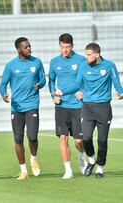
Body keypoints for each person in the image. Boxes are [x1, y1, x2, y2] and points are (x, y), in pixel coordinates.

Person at [55, 43, 123, 179]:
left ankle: (100, 168)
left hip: (103, 108)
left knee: (102, 140)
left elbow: (117, 83)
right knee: (85, 138)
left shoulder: (109, 66)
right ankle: (91, 159)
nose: (86, 57)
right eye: (86, 54)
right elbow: (77, 84)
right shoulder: (84, 66)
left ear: (97, 54)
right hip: (87, 107)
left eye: (89, 54)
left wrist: (120, 93)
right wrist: (63, 92)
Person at [0, 37, 46, 180]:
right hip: (16, 107)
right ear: (19, 49)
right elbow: (3, 84)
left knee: (32, 137)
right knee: (18, 139)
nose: (29, 49)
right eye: (26, 47)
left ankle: (33, 158)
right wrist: (4, 94)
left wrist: (40, 84)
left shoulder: (37, 62)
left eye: (30, 46)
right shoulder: (11, 65)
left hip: (32, 105)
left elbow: (43, 79)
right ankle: (23, 171)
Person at [48, 33, 87, 179]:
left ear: (72, 46)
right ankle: (68, 170)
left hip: (77, 105)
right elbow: (51, 80)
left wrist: (83, 92)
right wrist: (53, 96)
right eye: (63, 47)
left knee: (78, 141)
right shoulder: (54, 62)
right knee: (63, 138)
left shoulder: (81, 60)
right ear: (59, 45)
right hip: (62, 106)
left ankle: (81, 157)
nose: (65, 50)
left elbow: (86, 79)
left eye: (68, 47)